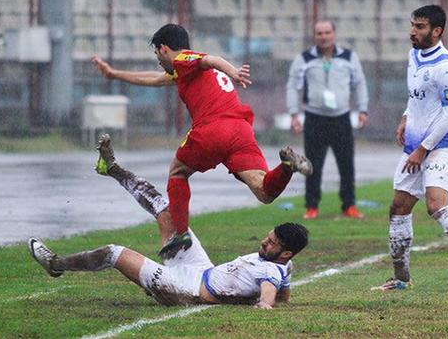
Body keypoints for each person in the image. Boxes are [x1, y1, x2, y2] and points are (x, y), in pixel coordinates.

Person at [91, 24, 312, 258]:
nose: (158, 60)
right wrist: (114, 74)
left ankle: (181, 233)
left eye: (156, 54)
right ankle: (287, 166)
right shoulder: (185, 70)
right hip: (240, 128)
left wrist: (233, 72)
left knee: (177, 172)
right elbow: (154, 79)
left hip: (213, 128)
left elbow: (211, 59)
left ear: (164, 48)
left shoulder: (184, 58)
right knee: (264, 191)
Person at [28, 136, 309, 309]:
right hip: (201, 269)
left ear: (284, 252)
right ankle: (112, 168)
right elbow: (283, 293)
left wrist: (262, 302)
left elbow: (268, 302)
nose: (264, 241)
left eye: (271, 243)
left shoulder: (271, 274)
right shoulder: (284, 264)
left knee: (114, 253)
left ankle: (56, 265)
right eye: (268, 236)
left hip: (185, 290)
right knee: (166, 208)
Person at [371, 5, 448, 292]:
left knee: (436, 206)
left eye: (420, 27)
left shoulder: (447, 67)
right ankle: (401, 279)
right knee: (399, 207)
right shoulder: (413, 55)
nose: (412, 31)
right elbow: (417, 97)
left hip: (441, 145)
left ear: (437, 31)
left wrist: (423, 149)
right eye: (412, 25)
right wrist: (405, 117)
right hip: (415, 144)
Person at [286, 20, 369, 220]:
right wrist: (294, 114)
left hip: (341, 118)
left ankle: (349, 205)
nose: (324, 36)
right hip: (315, 118)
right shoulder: (304, 59)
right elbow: (292, 85)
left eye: (327, 32)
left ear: (334, 34)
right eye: (319, 33)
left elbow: (360, 83)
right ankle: (311, 206)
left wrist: (362, 109)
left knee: (346, 164)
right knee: (312, 166)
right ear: (315, 36)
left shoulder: (349, 57)